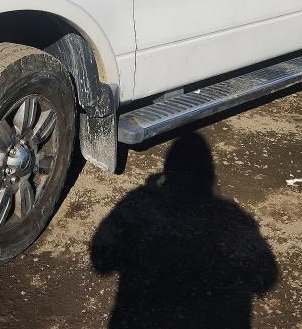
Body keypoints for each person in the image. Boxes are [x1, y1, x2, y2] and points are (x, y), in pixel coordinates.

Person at [90, 133, 279, 329]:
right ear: (209, 173)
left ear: (169, 171)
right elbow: (266, 278)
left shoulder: (138, 204)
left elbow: (101, 261)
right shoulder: (230, 215)